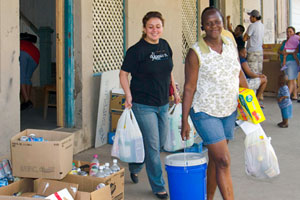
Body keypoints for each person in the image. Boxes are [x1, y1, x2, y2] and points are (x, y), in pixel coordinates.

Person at [181, 7, 248, 200]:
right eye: (209, 23)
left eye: (217, 22)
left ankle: (208, 198)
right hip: (205, 111)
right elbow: (188, 88)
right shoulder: (195, 53)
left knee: (216, 159)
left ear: (222, 23)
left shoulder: (229, 44)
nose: (214, 26)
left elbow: (238, 73)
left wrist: (249, 102)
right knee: (224, 160)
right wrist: (184, 120)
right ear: (203, 26)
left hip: (228, 110)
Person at [119, 11, 180, 199]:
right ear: (144, 28)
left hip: (163, 102)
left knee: (158, 144)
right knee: (153, 147)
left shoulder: (165, 45)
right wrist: (128, 95)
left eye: (158, 26)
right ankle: (158, 186)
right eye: (151, 26)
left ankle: (136, 165)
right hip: (143, 104)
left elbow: (169, 71)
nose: (155, 30)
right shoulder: (136, 50)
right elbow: (123, 74)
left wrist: (175, 92)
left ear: (162, 28)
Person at [20, 32, 40, 110]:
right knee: (27, 78)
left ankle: (27, 101)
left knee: (21, 77)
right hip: (36, 55)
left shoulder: (19, 42)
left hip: (23, 52)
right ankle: (27, 101)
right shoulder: (31, 44)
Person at [278, 26, 299, 100]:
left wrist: (288, 53)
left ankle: (287, 96)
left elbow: (296, 51)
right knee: (291, 79)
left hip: (292, 61)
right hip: (284, 62)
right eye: (287, 32)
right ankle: (295, 95)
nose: (288, 33)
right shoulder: (284, 42)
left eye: (290, 32)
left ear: (294, 33)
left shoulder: (296, 42)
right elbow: (279, 50)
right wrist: (282, 52)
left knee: (290, 78)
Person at [243, 9, 264, 74]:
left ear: (254, 17)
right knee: (259, 71)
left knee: (252, 72)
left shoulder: (252, 26)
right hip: (260, 51)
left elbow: (245, 38)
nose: (249, 18)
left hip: (252, 51)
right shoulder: (262, 25)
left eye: (251, 17)